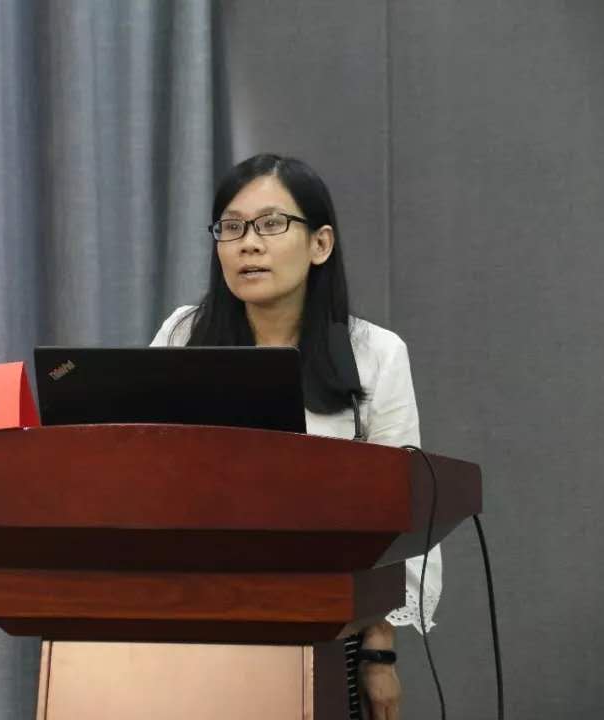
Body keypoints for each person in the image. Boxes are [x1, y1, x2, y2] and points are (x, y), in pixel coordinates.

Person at [150, 153, 442, 720]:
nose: (248, 245)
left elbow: (398, 520)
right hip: (195, 624)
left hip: (326, 632)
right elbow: (145, 472)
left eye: (271, 224)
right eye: (231, 227)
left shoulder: (374, 354)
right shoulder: (184, 335)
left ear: (320, 244)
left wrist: (379, 655)